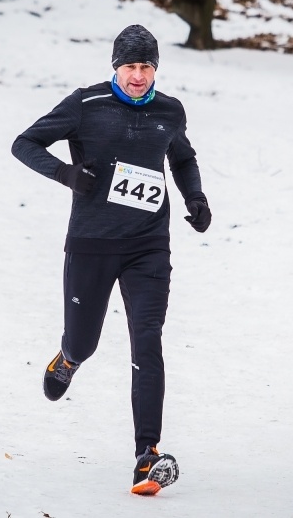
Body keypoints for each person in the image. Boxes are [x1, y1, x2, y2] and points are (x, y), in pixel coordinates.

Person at [11, 24, 211, 496]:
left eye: (146, 67)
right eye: (130, 66)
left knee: (147, 339)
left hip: (148, 245)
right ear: (115, 67)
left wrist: (196, 198)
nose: (138, 76)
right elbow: (24, 143)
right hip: (92, 243)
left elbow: (182, 158)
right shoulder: (87, 105)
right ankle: (69, 358)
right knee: (85, 342)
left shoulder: (170, 111)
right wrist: (64, 173)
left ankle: (148, 455)